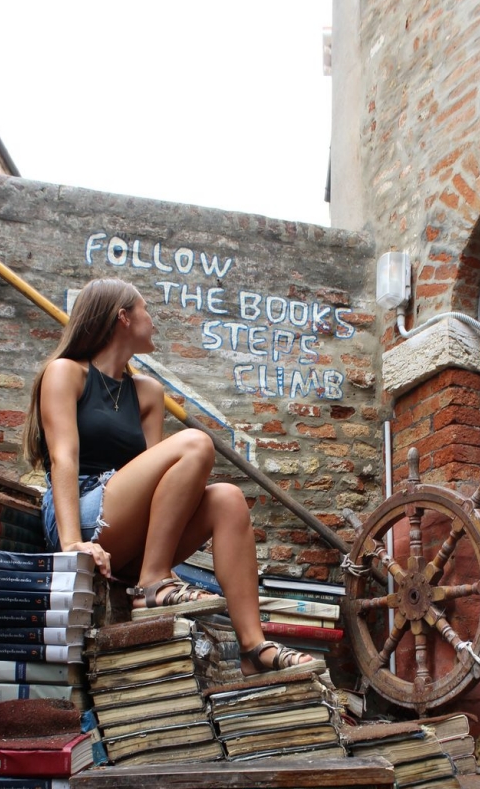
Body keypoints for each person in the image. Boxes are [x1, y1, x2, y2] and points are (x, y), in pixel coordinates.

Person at [23, 277, 323, 678]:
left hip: (128, 533)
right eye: (146, 309)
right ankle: (153, 583)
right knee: (196, 443)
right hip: (81, 513)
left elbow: (160, 478)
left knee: (229, 499)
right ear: (123, 317)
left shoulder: (146, 392)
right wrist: (72, 542)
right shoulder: (66, 373)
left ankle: (253, 646)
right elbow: (64, 458)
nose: (154, 320)